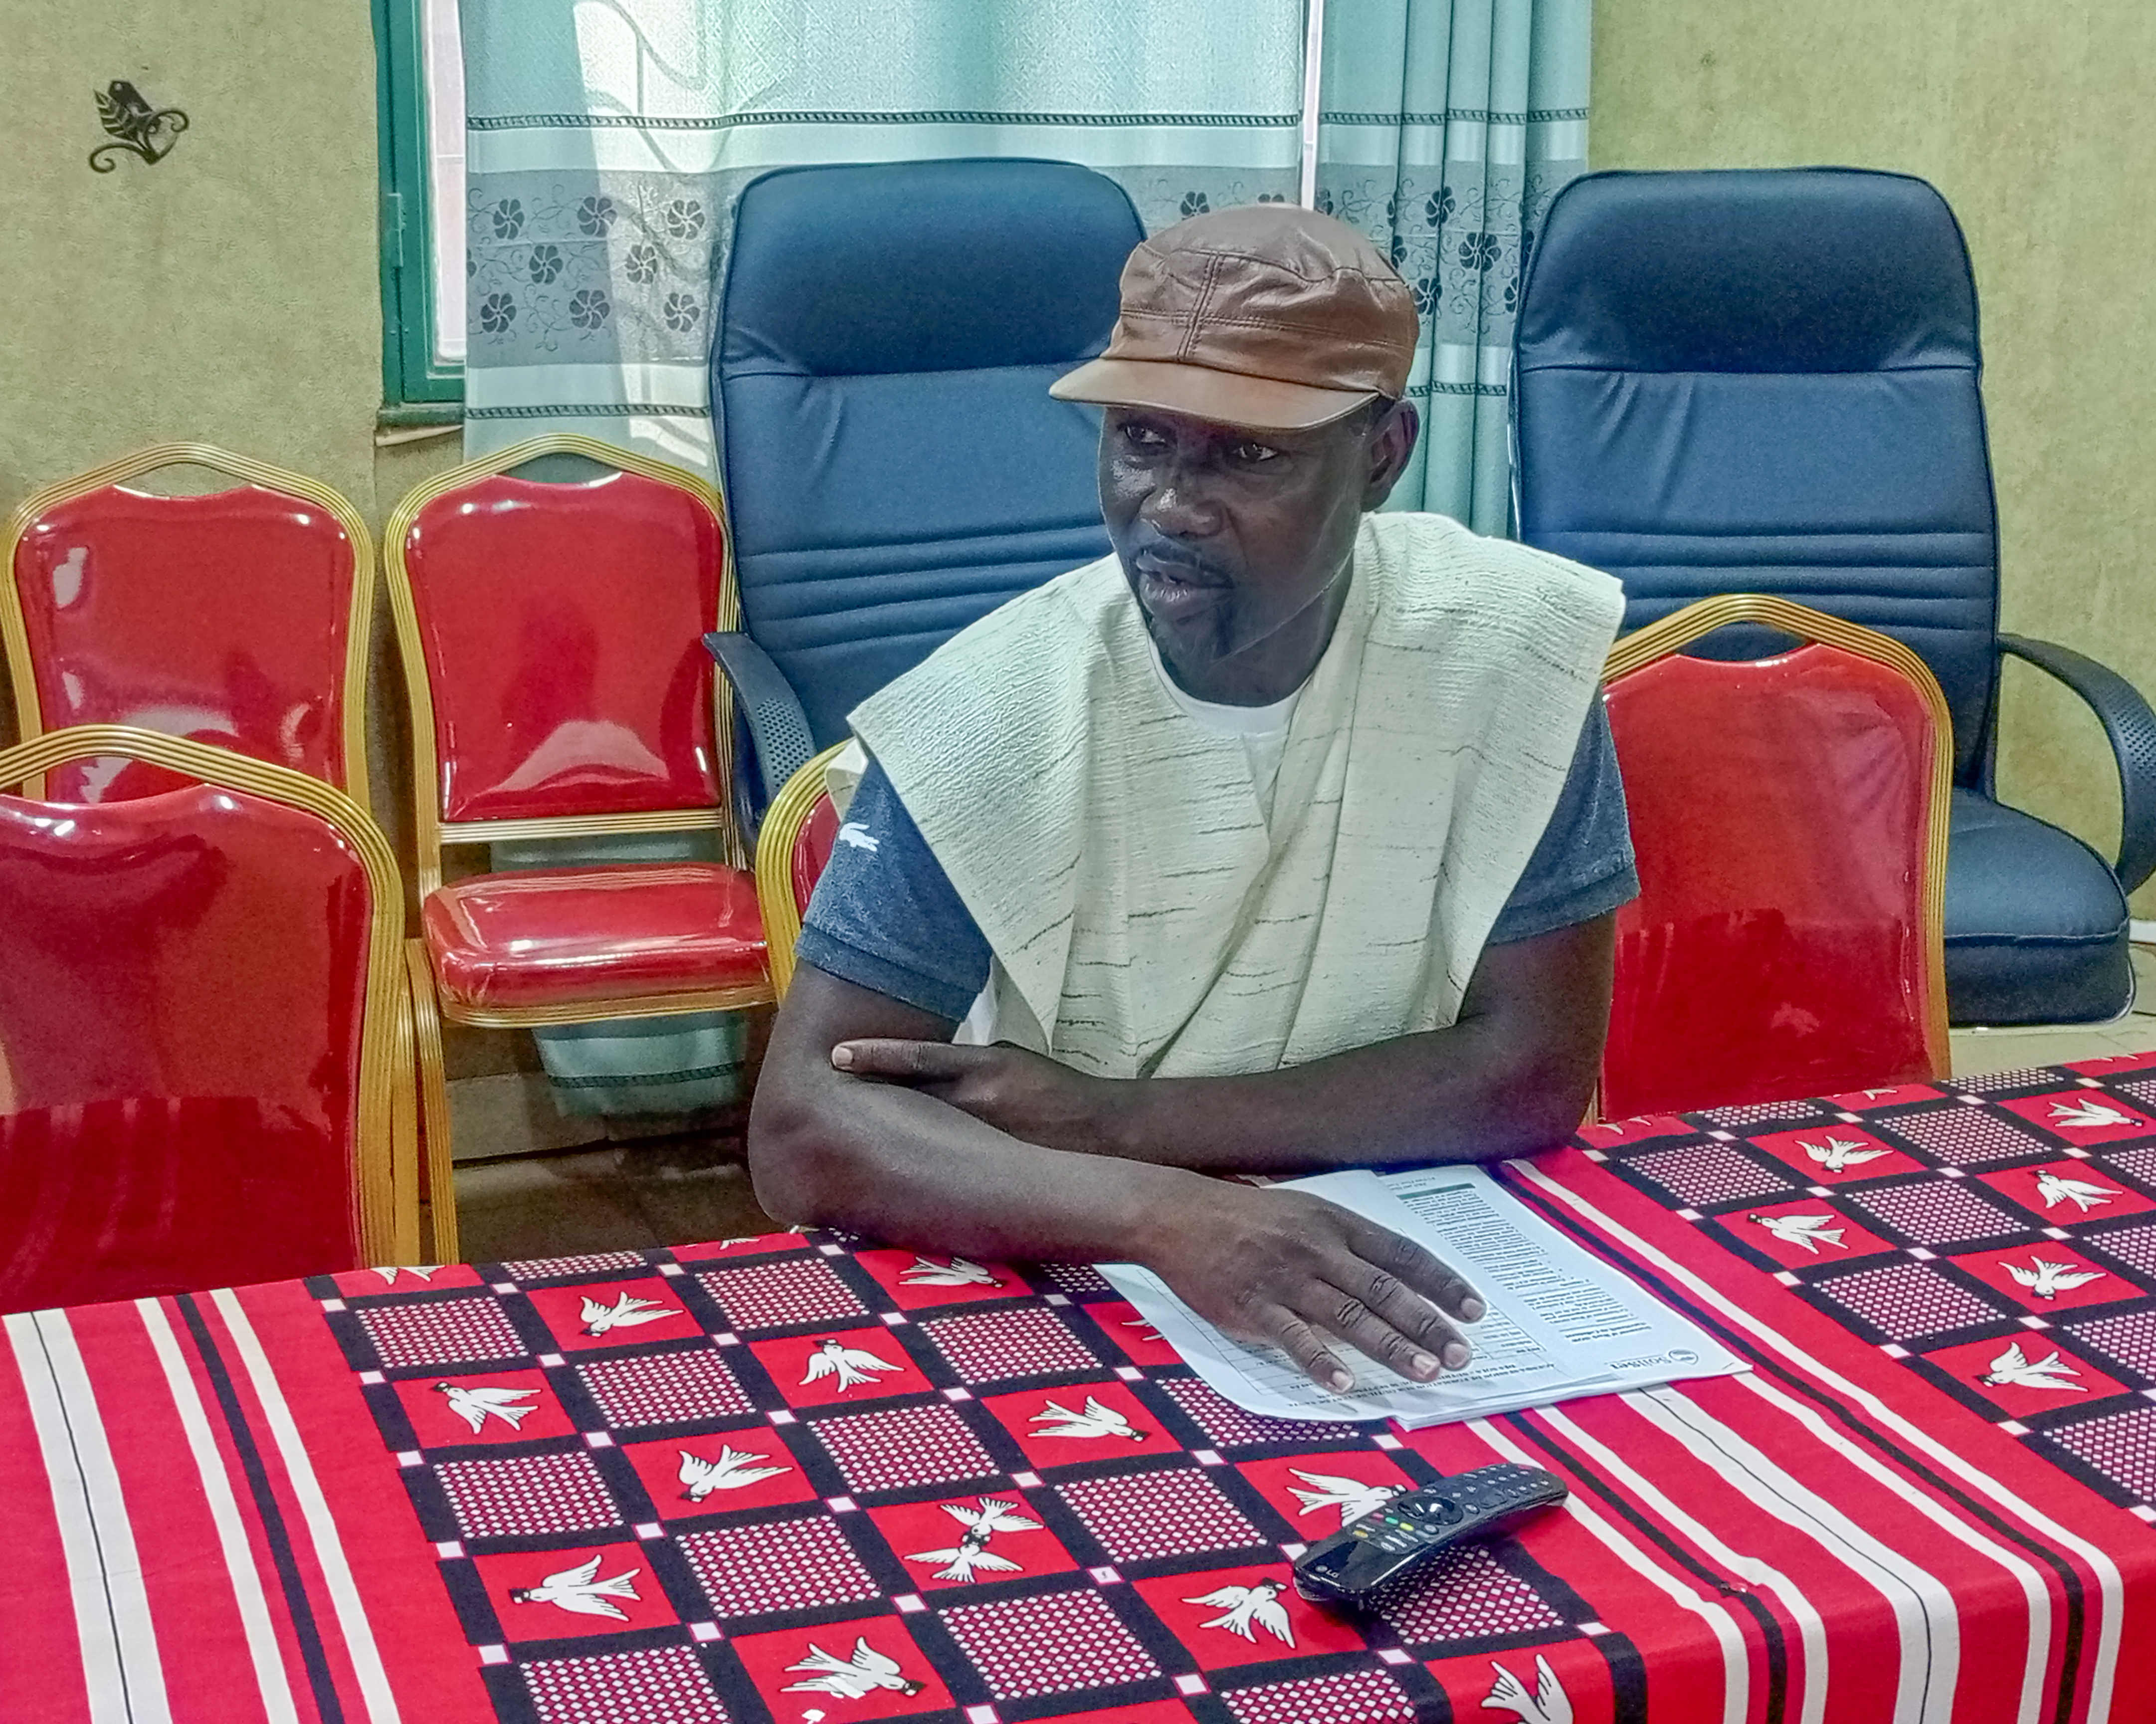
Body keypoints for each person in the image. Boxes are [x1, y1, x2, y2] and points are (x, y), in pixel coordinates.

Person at [748, 204, 1631, 1391]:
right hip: (1056, 1245)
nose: (1169, 504)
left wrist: (1117, 1120)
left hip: (1406, 1240)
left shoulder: (1513, 650)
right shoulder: (985, 716)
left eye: (1248, 455)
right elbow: (804, 1127)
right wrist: (1163, 1213)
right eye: (1141, 440)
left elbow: (1530, 1073)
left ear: (1381, 455)